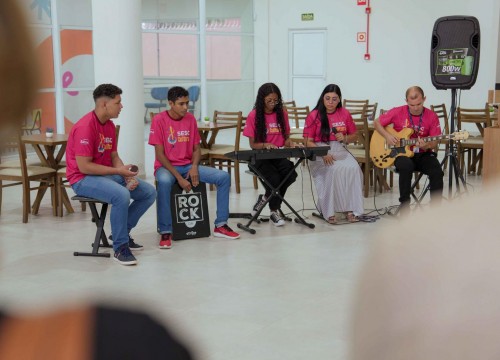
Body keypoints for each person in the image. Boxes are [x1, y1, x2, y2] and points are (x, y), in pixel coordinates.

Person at [350, 184, 500, 360]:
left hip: (420, 158)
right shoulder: (405, 246)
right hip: (401, 159)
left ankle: (435, 207)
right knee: (404, 166)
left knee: (434, 169)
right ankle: (404, 206)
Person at [66, 84, 156, 266]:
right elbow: (84, 167)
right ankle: (120, 247)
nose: (121, 106)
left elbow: (114, 156)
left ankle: (120, 232)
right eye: (118, 102)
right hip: (82, 179)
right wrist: (118, 172)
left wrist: (127, 175)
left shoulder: (109, 125)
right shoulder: (85, 127)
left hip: (103, 176)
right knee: (121, 194)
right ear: (104, 104)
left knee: (149, 192)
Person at [149, 86, 240, 248]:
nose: (185, 107)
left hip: (188, 165)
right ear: (170, 103)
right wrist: (179, 178)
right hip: (166, 168)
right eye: (181, 104)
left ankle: (221, 225)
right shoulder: (159, 120)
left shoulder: (190, 119)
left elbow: (197, 148)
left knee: (223, 177)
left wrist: (195, 167)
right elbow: (159, 155)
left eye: (187, 103)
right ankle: (165, 231)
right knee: (163, 182)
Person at [373, 86, 444, 213]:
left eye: (419, 104)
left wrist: (426, 145)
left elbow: (434, 142)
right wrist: (387, 136)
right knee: (406, 166)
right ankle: (404, 206)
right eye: (412, 105)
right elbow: (377, 122)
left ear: (424, 99)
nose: (416, 108)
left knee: (437, 172)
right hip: (401, 154)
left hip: (423, 154)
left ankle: (436, 211)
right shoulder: (397, 111)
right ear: (406, 101)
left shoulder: (432, 116)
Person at [303, 84, 364, 224]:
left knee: (354, 168)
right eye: (328, 98)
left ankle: (351, 209)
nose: (330, 102)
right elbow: (307, 141)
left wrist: (346, 138)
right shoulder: (314, 115)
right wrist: (322, 153)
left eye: (334, 99)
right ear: (322, 98)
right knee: (333, 170)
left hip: (340, 150)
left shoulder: (345, 113)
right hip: (319, 151)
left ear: (339, 100)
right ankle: (328, 210)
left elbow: (355, 135)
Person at [243, 83, 300, 226]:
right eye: (269, 100)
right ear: (261, 99)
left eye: (276, 100)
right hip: (259, 157)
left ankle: (266, 198)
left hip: (277, 155)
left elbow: (286, 139)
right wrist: (265, 144)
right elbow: (253, 144)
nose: (273, 104)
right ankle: (274, 211)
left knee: (290, 174)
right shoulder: (254, 115)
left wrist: (291, 143)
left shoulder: (282, 114)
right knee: (274, 178)